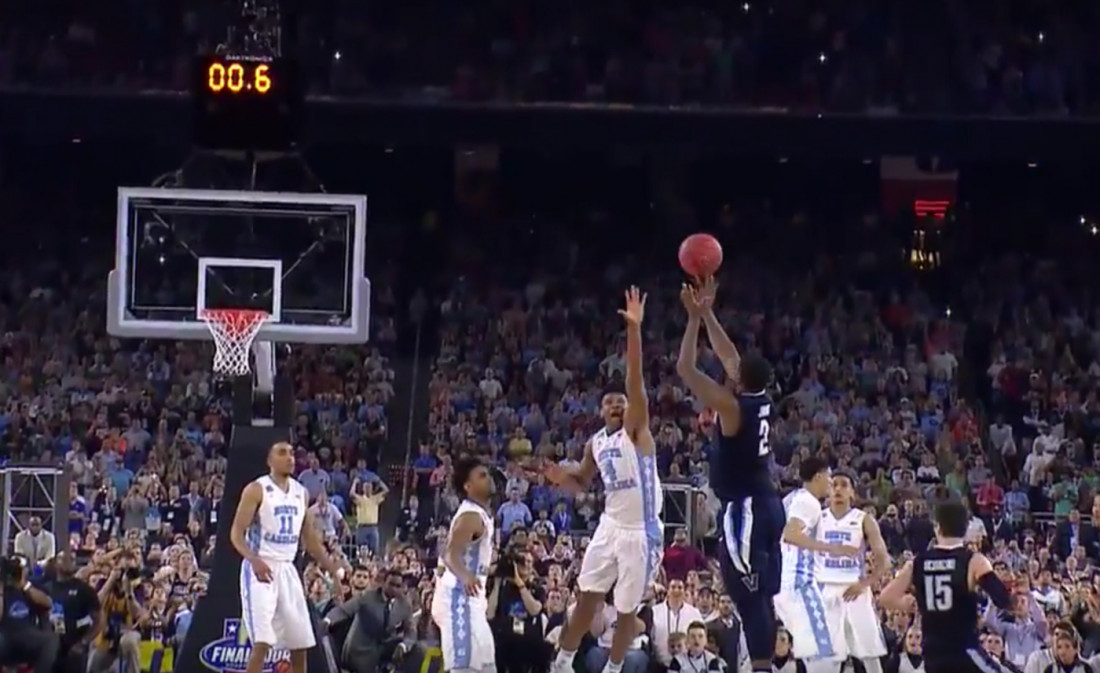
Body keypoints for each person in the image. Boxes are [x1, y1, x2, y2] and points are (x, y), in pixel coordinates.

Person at [547, 287, 663, 673]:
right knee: (587, 596)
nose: (616, 405)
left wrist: (634, 330)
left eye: (621, 402)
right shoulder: (595, 442)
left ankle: (614, 668)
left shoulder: (637, 432)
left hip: (641, 532)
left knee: (627, 609)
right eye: (609, 402)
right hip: (610, 525)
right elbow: (581, 481)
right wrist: (560, 478)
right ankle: (563, 662)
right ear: (600, 411)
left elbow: (635, 382)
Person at [674, 276, 786, 673]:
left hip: (746, 509)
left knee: (748, 598)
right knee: (762, 599)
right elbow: (730, 356)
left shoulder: (731, 407)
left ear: (738, 379)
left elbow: (685, 368)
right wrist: (708, 314)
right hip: (768, 504)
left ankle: (761, 667)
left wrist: (692, 319)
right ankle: (765, 665)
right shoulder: (760, 397)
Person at [230, 442, 345, 673]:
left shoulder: (301, 493)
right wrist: (253, 560)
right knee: (262, 641)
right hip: (260, 567)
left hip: (287, 569)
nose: (290, 457)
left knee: (300, 642)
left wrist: (333, 571)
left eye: (292, 453)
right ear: (269, 461)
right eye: (282, 453)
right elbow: (236, 534)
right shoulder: (256, 489)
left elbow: (311, 540)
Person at [879, 497, 1015, 673]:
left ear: (937, 527)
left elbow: (885, 598)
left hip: (932, 656)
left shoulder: (917, 563)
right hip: (964, 651)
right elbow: (1003, 600)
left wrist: (908, 603)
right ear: (965, 528)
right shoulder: (973, 561)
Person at [772, 458, 855, 669]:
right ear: (818, 476)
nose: (831, 483)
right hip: (799, 586)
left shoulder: (791, 498)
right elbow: (791, 534)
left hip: (784, 583)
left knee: (818, 650)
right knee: (825, 651)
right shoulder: (809, 502)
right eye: (829, 477)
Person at [814, 470, 890, 673]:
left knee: (870, 655)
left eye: (844, 485)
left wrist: (864, 584)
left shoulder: (864, 519)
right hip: (827, 591)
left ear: (852, 493)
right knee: (827, 660)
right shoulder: (816, 519)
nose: (838, 489)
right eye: (834, 485)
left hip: (855, 591)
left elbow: (884, 561)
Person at [430, 456, 497, 673]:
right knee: (465, 668)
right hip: (459, 600)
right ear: (468, 486)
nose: (489, 478)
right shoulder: (470, 516)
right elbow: (450, 554)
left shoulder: (481, 514)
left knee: (487, 668)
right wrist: (466, 575)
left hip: (473, 600)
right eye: (482, 476)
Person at [45, 551, 102, 673]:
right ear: (56, 563)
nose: (69, 562)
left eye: (72, 559)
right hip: (51, 647)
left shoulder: (84, 589)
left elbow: (98, 620)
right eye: (64, 559)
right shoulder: (47, 588)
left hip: (74, 648)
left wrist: (83, 642)